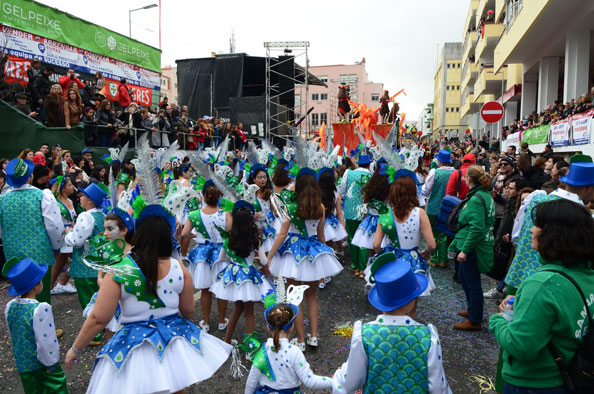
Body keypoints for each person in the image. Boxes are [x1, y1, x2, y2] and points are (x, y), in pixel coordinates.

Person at [65, 215, 232, 393]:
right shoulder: (178, 267)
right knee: (174, 385)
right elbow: (189, 310)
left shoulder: (119, 269)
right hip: (172, 339)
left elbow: (99, 318)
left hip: (133, 345)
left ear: (139, 236)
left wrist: (75, 349)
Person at [490, 199, 594, 394]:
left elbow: (520, 346)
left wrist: (497, 320)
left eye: (538, 225)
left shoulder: (541, 284)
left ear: (555, 234)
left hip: (533, 382)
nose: (531, 230)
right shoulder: (588, 276)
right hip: (568, 376)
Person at [332, 252, 452, 394]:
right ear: (413, 299)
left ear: (381, 300)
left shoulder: (364, 334)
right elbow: (438, 388)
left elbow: (349, 383)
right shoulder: (427, 336)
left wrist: (339, 376)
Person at [268, 170, 343, 350]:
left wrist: (270, 254)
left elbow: (282, 234)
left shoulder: (290, 207)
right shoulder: (321, 208)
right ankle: (314, 337)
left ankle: (300, 340)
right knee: (311, 296)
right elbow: (322, 237)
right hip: (313, 253)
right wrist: (326, 256)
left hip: (293, 254)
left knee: (295, 296)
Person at [0, 158, 64, 305]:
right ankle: (42, 324)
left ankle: (22, 323)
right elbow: (53, 225)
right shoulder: (42, 196)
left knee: (21, 293)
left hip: (13, 254)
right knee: (40, 295)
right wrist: (57, 246)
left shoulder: (2, 200)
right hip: (40, 253)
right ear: (30, 176)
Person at [3, 257, 68, 394]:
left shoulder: (10, 307)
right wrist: (51, 362)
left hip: (23, 363)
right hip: (42, 364)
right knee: (56, 387)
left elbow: (13, 335)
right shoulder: (40, 309)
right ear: (35, 285)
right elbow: (46, 340)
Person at [209, 202, 272, 343]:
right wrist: (255, 258)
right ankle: (251, 347)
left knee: (237, 309)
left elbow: (222, 258)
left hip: (234, 275)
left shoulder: (229, 238)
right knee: (249, 311)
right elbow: (263, 261)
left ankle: (226, 340)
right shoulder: (256, 239)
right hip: (249, 276)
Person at [244, 301, 333, 393]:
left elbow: (251, 382)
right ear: (292, 327)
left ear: (268, 327)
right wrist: (334, 382)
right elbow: (310, 381)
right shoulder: (294, 352)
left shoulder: (261, 351)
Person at [372, 174, 436, 293]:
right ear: (413, 192)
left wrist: (383, 255)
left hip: (391, 259)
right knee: (412, 294)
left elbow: (376, 245)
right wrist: (426, 253)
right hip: (413, 260)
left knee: (393, 295)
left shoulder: (385, 214)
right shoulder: (420, 213)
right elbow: (432, 245)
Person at [449, 165, 495, 331]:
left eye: (466, 176)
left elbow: (477, 228)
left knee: (472, 283)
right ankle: (473, 310)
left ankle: (475, 319)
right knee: (464, 277)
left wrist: (465, 250)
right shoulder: (484, 194)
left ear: (469, 178)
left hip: (473, 247)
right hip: (472, 244)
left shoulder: (476, 199)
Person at [180, 182, 229, 332]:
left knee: (205, 289)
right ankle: (221, 321)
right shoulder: (225, 213)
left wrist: (197, 236)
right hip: (221, 254)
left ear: (203, 196)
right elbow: (231, 232)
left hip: (202, 254)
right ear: (219, 196)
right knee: (221, 288)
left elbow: (184, 234)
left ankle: (206, 322)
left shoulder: (195, 214)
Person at [63, 183, 107, 313]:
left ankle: (95, 332)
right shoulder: (102, 215)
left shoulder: (85, 216)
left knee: (88, 301)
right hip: (99, 264)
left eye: (83, 196)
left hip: (85, 265)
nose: (80, 198)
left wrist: (67, 233)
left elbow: (77, 241)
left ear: (90, 201)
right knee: (100, 299)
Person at [338, 154, 372, 277]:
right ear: (369, 164)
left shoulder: (348, 173)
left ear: (358, 164)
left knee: (352, 238)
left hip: (350, 210)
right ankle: (363, 269)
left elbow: (341, 191)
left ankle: (355, 267)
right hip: (364, 210)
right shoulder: (370, 175)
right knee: (364, 239)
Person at [422, 149, 455, 268]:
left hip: (434, 206)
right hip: (450, 207)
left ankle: (433, 259)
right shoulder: (455, 173)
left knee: (433, 233)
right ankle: (443, 259)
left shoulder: (434, 172)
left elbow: (426, 191)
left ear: (439, 161)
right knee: (444, 234)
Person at [352, 164, 390, 261]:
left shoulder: (370, 189)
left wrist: (363, 217)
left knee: (371, 252)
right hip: (386, 221)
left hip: (371, 221)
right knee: (386, 251)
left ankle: (370, 271)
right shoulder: (390, 189)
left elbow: (365, 205)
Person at [49, 175, 78, 295]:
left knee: (61, 260)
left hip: (70, 233)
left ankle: (52, 286)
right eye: (70, 185)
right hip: (62, 235)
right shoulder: (55, 203)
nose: (73, 187)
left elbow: (72, 220)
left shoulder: (70, 201)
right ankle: (62, 283)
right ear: (63, 189)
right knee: (78, 259)